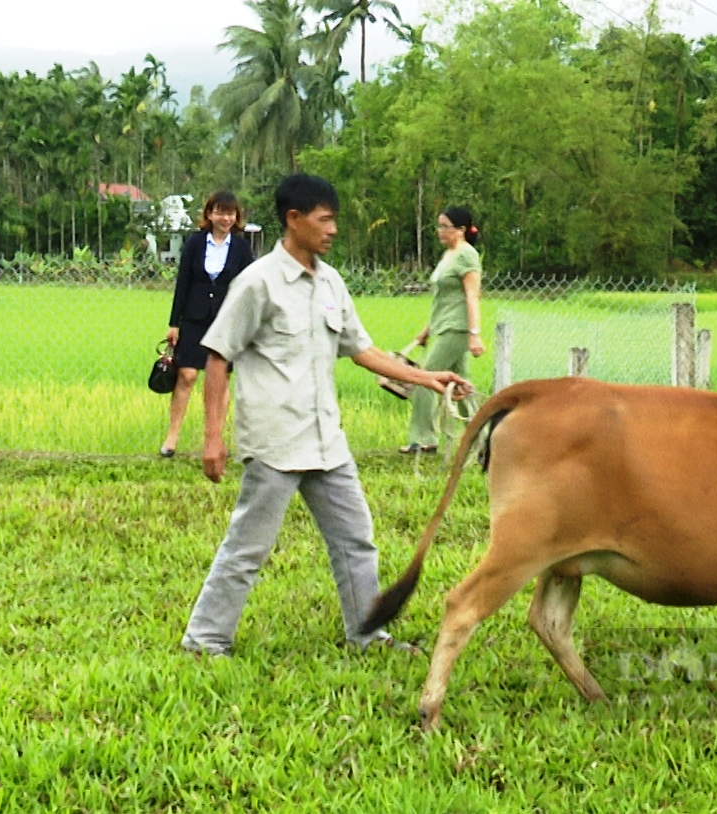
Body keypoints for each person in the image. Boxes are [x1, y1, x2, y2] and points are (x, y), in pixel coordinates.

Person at [180, 173, 474, 657]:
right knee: (247, 549)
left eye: (335, 220)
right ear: (293, 220)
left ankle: (366, 634)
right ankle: (205, 639)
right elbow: (217, 356)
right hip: (276, 441)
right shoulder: (258, 283)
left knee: (356, 538)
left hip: (326, 441)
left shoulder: (331, 282)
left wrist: (429, 377)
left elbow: (362, 350)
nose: (333, 229)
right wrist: (213, 437)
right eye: (325, 219)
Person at [160, 191, 256, 457]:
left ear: (236, 217)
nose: (225, 218)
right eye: (220, 212)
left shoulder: (241, 248)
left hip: (227, 321)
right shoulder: (194, 243)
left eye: (230, 213)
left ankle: (212, 440)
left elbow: (249, 287)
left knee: (220, 379)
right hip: (194, 317)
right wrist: (174, 323)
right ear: (209, 214)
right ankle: (171, 439)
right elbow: (183, 283)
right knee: (186, 375)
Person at [402, 206, 485, 454]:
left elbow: (472, 296)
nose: (440, 231)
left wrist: (474, 334)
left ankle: (424, 438)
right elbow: (443, 298)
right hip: (443, 325)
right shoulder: (449, 255)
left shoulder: (467, 256)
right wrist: (426, 330)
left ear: (460, 230)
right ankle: (482, 439)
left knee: (425, 378)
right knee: (461, 386)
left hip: (457, 328)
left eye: (445, 226)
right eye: (438, 225)